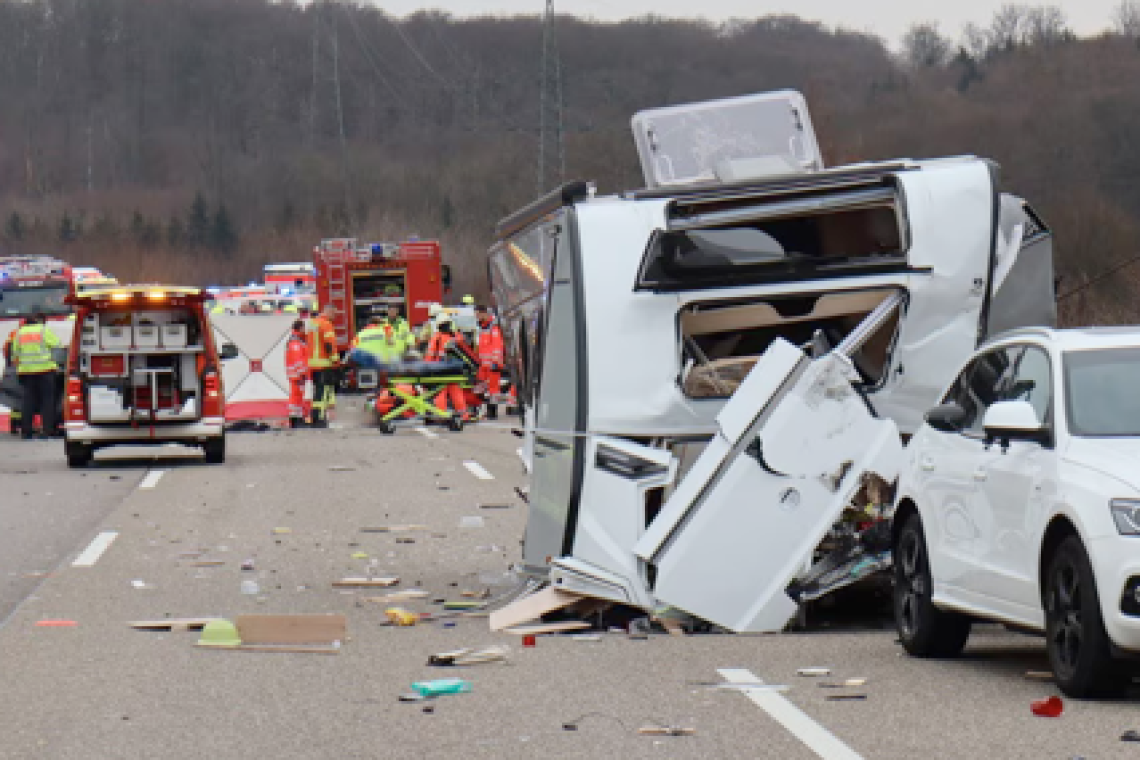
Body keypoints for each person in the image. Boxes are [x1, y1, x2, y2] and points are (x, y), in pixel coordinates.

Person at [10, 313, 61, 440]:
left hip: (26, 372)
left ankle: (26, 432)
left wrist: (19, 367)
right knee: (47, 401)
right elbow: (57, 345)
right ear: (40, 321)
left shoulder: (19, 333)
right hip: (45, 370)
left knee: (28, 401)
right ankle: (46, 431)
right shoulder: (44, 330)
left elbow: (14, 353)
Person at [426, 321, 469, 420]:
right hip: (454, 370)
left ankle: (441, 415)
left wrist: (427, 368)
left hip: (439, 369)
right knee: (456, 391)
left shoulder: (437, 338)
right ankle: (463, 414)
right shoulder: (455, 338)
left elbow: (430, 355)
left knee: (440, 392)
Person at [305, 305, 338, 428]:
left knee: (318, 392)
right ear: (328, 312)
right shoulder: (326, 324)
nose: (334, 317)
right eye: (334, 314)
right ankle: (319, 418)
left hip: (313, 364)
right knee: (323, 392)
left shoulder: (312, 323)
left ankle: (315, 416)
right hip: (324, 363)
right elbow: (329, 344)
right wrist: (335, 360)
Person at [474, 305, 505, 420]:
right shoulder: (483, 327)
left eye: (477, 314)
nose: (476, 317)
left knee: (493, 390)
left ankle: (493, 412)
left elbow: (497, 346)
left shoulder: (493, 328)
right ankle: (487, 410)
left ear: (484, 313)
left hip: (492, 364)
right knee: (483, 389)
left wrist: (495, 362)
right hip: (484, 365)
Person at [285, 320, 309, 428]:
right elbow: (298, 359)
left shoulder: (296, 341)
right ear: (300, 328)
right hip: (297, 375)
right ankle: (295, 420)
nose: (305, 330)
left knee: (297, 397)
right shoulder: (296, 343)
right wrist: (302, 373)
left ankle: (296, 418)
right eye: (304, 328)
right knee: (296, 398)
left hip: (296, 374)